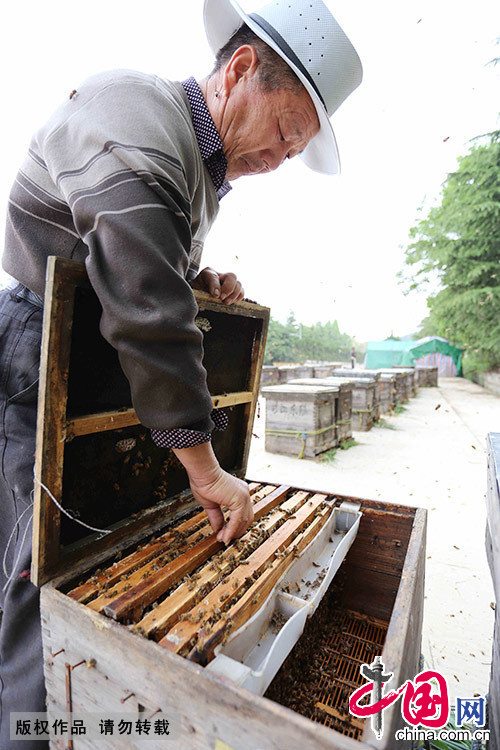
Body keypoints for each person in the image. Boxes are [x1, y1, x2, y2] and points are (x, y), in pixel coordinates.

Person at [0, 0, 362, 745]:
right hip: (39, 348)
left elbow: (141, 261)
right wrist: (204, 469)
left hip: (90, 355)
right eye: (286, 132)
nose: (280, 157)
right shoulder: (136, 114)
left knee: (87, 544)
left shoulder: (196, 164)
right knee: (38, 577)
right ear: (238, 71)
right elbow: (144, 312)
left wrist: (200, 278)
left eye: (296, 152)